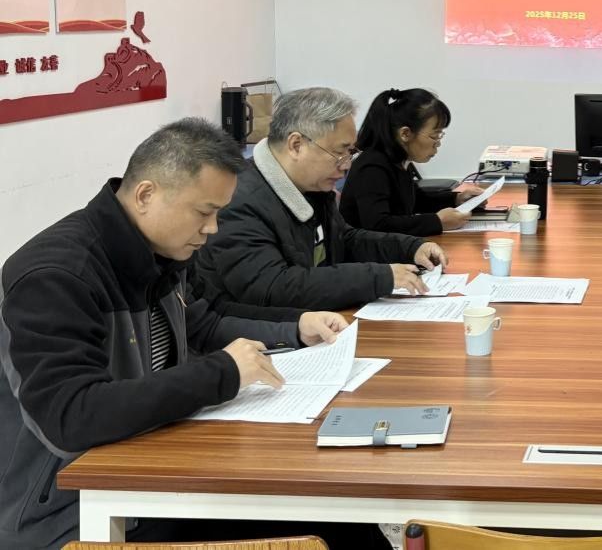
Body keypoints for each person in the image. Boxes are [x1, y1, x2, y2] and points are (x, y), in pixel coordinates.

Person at [0, 118, 375, 550]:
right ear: (146, 195)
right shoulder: (56, 276)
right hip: (72, 512)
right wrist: (222, 374)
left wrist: (294, 328)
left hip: (154, 470)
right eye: (203, 212)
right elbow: (71, 418)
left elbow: (205, 322)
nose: (212, 228)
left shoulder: (161, 250)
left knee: (339, 516)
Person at [194, 87, 446, 311]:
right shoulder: (238, 201)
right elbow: (273, 288)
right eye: (340, 152)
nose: (346, 165)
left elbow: (345, 239)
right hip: (261, 338)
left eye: (350, 153)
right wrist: (379, 277)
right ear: (296, 145)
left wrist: (411, 247)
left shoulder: (313, 186)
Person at [340, 88, 484, 236]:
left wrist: (457, 199)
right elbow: (378, 224)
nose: (438, 143)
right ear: (405, 134)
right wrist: (437, 222)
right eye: (435, 136)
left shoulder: (398, 160)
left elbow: (415, 200)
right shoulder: (372, 167)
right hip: (366, 250)